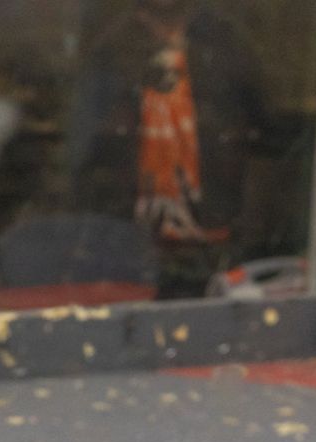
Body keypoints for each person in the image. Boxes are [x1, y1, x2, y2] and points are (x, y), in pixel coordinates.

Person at [68, 0, 270, 298]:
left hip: (217, 246)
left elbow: (264, 144)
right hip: (128, 251)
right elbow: (83, 155)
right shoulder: (111, 48)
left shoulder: (225, 41)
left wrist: (250, 229)